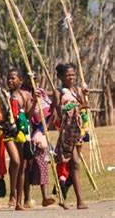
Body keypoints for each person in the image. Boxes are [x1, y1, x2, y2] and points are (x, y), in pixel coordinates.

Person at [53, 63, 88, 210]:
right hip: (67, 131)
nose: (71, 77)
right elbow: (59, 113)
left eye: (73, 74)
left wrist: (84, 95)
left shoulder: (78, 90)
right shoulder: (59, 92)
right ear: (60, 77)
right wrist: (70, 108)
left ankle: (64, 193)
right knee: (72, 162)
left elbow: (85, 106)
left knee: (74, 164)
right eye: (68, 75)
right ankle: (77, 199)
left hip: (78, 131)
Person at [22, 71, 55, 208]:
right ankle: (26, 198)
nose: (33, 80)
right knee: (26, 166)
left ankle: (45, 196)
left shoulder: (41, 92)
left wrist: (43, 130)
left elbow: (49, 112)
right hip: (25, 133)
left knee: (42, 163)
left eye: (35, 78)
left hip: (40, 133)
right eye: (29, 78)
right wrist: (34, 100)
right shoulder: (22, 93)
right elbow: (27, 115)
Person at [4, 69, 36, 211]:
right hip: (8, 132)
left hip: (22, 131)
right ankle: (12, 193)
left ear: (20, 81)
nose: (10, 81)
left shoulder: (26, 95)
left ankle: (19, 201)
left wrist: (35, 102)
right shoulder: (4, 95)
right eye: (8, 78)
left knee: (22, 165)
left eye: (13, 78)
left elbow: (28, 116)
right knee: (15, 161)